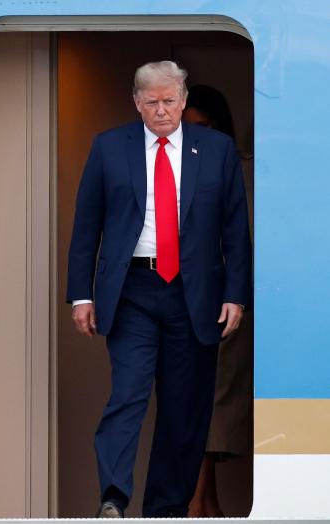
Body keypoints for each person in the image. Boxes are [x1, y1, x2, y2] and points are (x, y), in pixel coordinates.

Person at [66, 61, 252, 518]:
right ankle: (112, 497)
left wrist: (235, 295)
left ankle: (165, 511)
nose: (162, 111)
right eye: (152, 102)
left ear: (184, 101)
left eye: (170, 101)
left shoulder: (217, 149)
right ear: (137, 103)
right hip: (133, 289)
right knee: (127, 393)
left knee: (184, 410)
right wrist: (81, 294)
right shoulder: (110, 147)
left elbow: (235, 229)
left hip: (196, 293)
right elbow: (86, 225)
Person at [182, 84, 254, 518]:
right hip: (180, 305)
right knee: (190, 404)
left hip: (227, 305)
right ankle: (204, 505)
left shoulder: (243, 171)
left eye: (204, 128)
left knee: (209, 404)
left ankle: (195, 504)